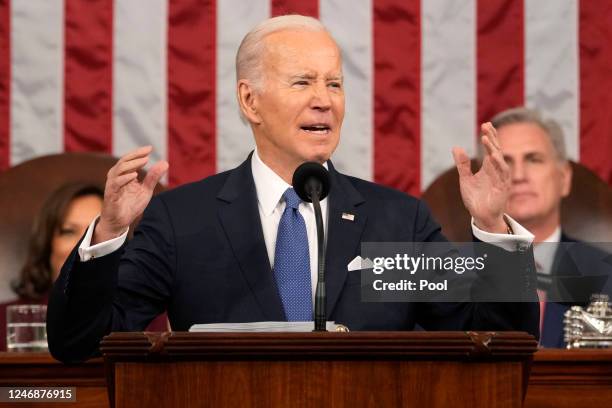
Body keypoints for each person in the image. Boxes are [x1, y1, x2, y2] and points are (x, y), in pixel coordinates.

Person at [47, 15, 538, 363]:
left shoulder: (395, 221)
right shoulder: (182, 221)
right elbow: (80, 344)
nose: (324, 101)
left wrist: (493, 229)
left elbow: (499, 344)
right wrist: (110, 231)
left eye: (335, 84)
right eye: (302, 82)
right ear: (250, 101)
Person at [492, 107, 612, 347]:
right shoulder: (451, 277)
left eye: (533, 159)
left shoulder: (607, 278)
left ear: (564, 178)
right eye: (505, 162)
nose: (518, 175)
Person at [0, 183, 103, 350]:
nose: (83, 245)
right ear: (47, 244)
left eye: (96, 231)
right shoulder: (3, 321)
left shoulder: (149, 320)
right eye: (69, 231)